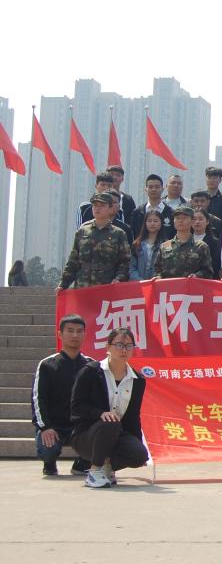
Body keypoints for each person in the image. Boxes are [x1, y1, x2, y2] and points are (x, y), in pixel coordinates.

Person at [69, 327, 149, 488]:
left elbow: (133, 417)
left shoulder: (137, 380)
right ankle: (94, 471)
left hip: (117, 435)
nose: (124, 350)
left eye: (128, 346)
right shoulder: (91, 372)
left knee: (139, 455)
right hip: (87, 435)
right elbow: (76, 406)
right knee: (111, 421)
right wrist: (100, 413)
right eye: (119, 345)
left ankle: (108, 467)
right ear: (108, 347)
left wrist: (137, 444)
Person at [33, 314, 94, 476]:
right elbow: (38, 398)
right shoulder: (47, 364)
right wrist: (45, 427)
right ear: (60, 334)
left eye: (79, 331)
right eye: (70, 330)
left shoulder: (91, 365)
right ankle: (49, 463)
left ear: (84, 334)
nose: (75, 335)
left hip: (80, 426)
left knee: (101, 431)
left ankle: (82, 463)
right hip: (54, 425)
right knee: (48, 447)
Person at [58, 193, 131, 290]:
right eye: (95, 205)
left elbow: (125, 262)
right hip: (83, 286)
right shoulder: (83, 231)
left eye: (102, 205)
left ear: (110, 208)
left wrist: (119, 279)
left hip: (107, 286)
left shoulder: (119, 234)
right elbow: (73, 261)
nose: (97, 208)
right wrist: (63, 284)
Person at [153, 207, 214, 279]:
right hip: (170, 285)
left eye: (184, 218)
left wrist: (197, 276)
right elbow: (158, 269)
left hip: (192, 285)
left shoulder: (201, 246)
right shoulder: (165, 246)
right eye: (177, 218)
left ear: (192, 221)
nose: (180, 221)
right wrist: (159, 277)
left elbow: (208, 271)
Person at [130, 174, 174, 239]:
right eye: (150, 187)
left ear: (162, 189)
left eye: (157, 187)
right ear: (145, 189)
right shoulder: (137, 212)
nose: (154, 189)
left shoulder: (171, 213)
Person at [129, 210, 163, 281]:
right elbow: (131, 268)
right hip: (139, 284)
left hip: (157, 283)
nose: (152, 223)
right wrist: (141, 281)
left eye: (155, 221)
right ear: (145, 223)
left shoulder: (165, 245)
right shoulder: (136, 244)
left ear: (161, 223)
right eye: (149, 221)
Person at [191, 209, 222, 275]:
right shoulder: (185, 239)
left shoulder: (214, 242)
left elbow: (215, 265)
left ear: (207, 221)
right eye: (194, 219)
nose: (197, 222)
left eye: (200, 219)